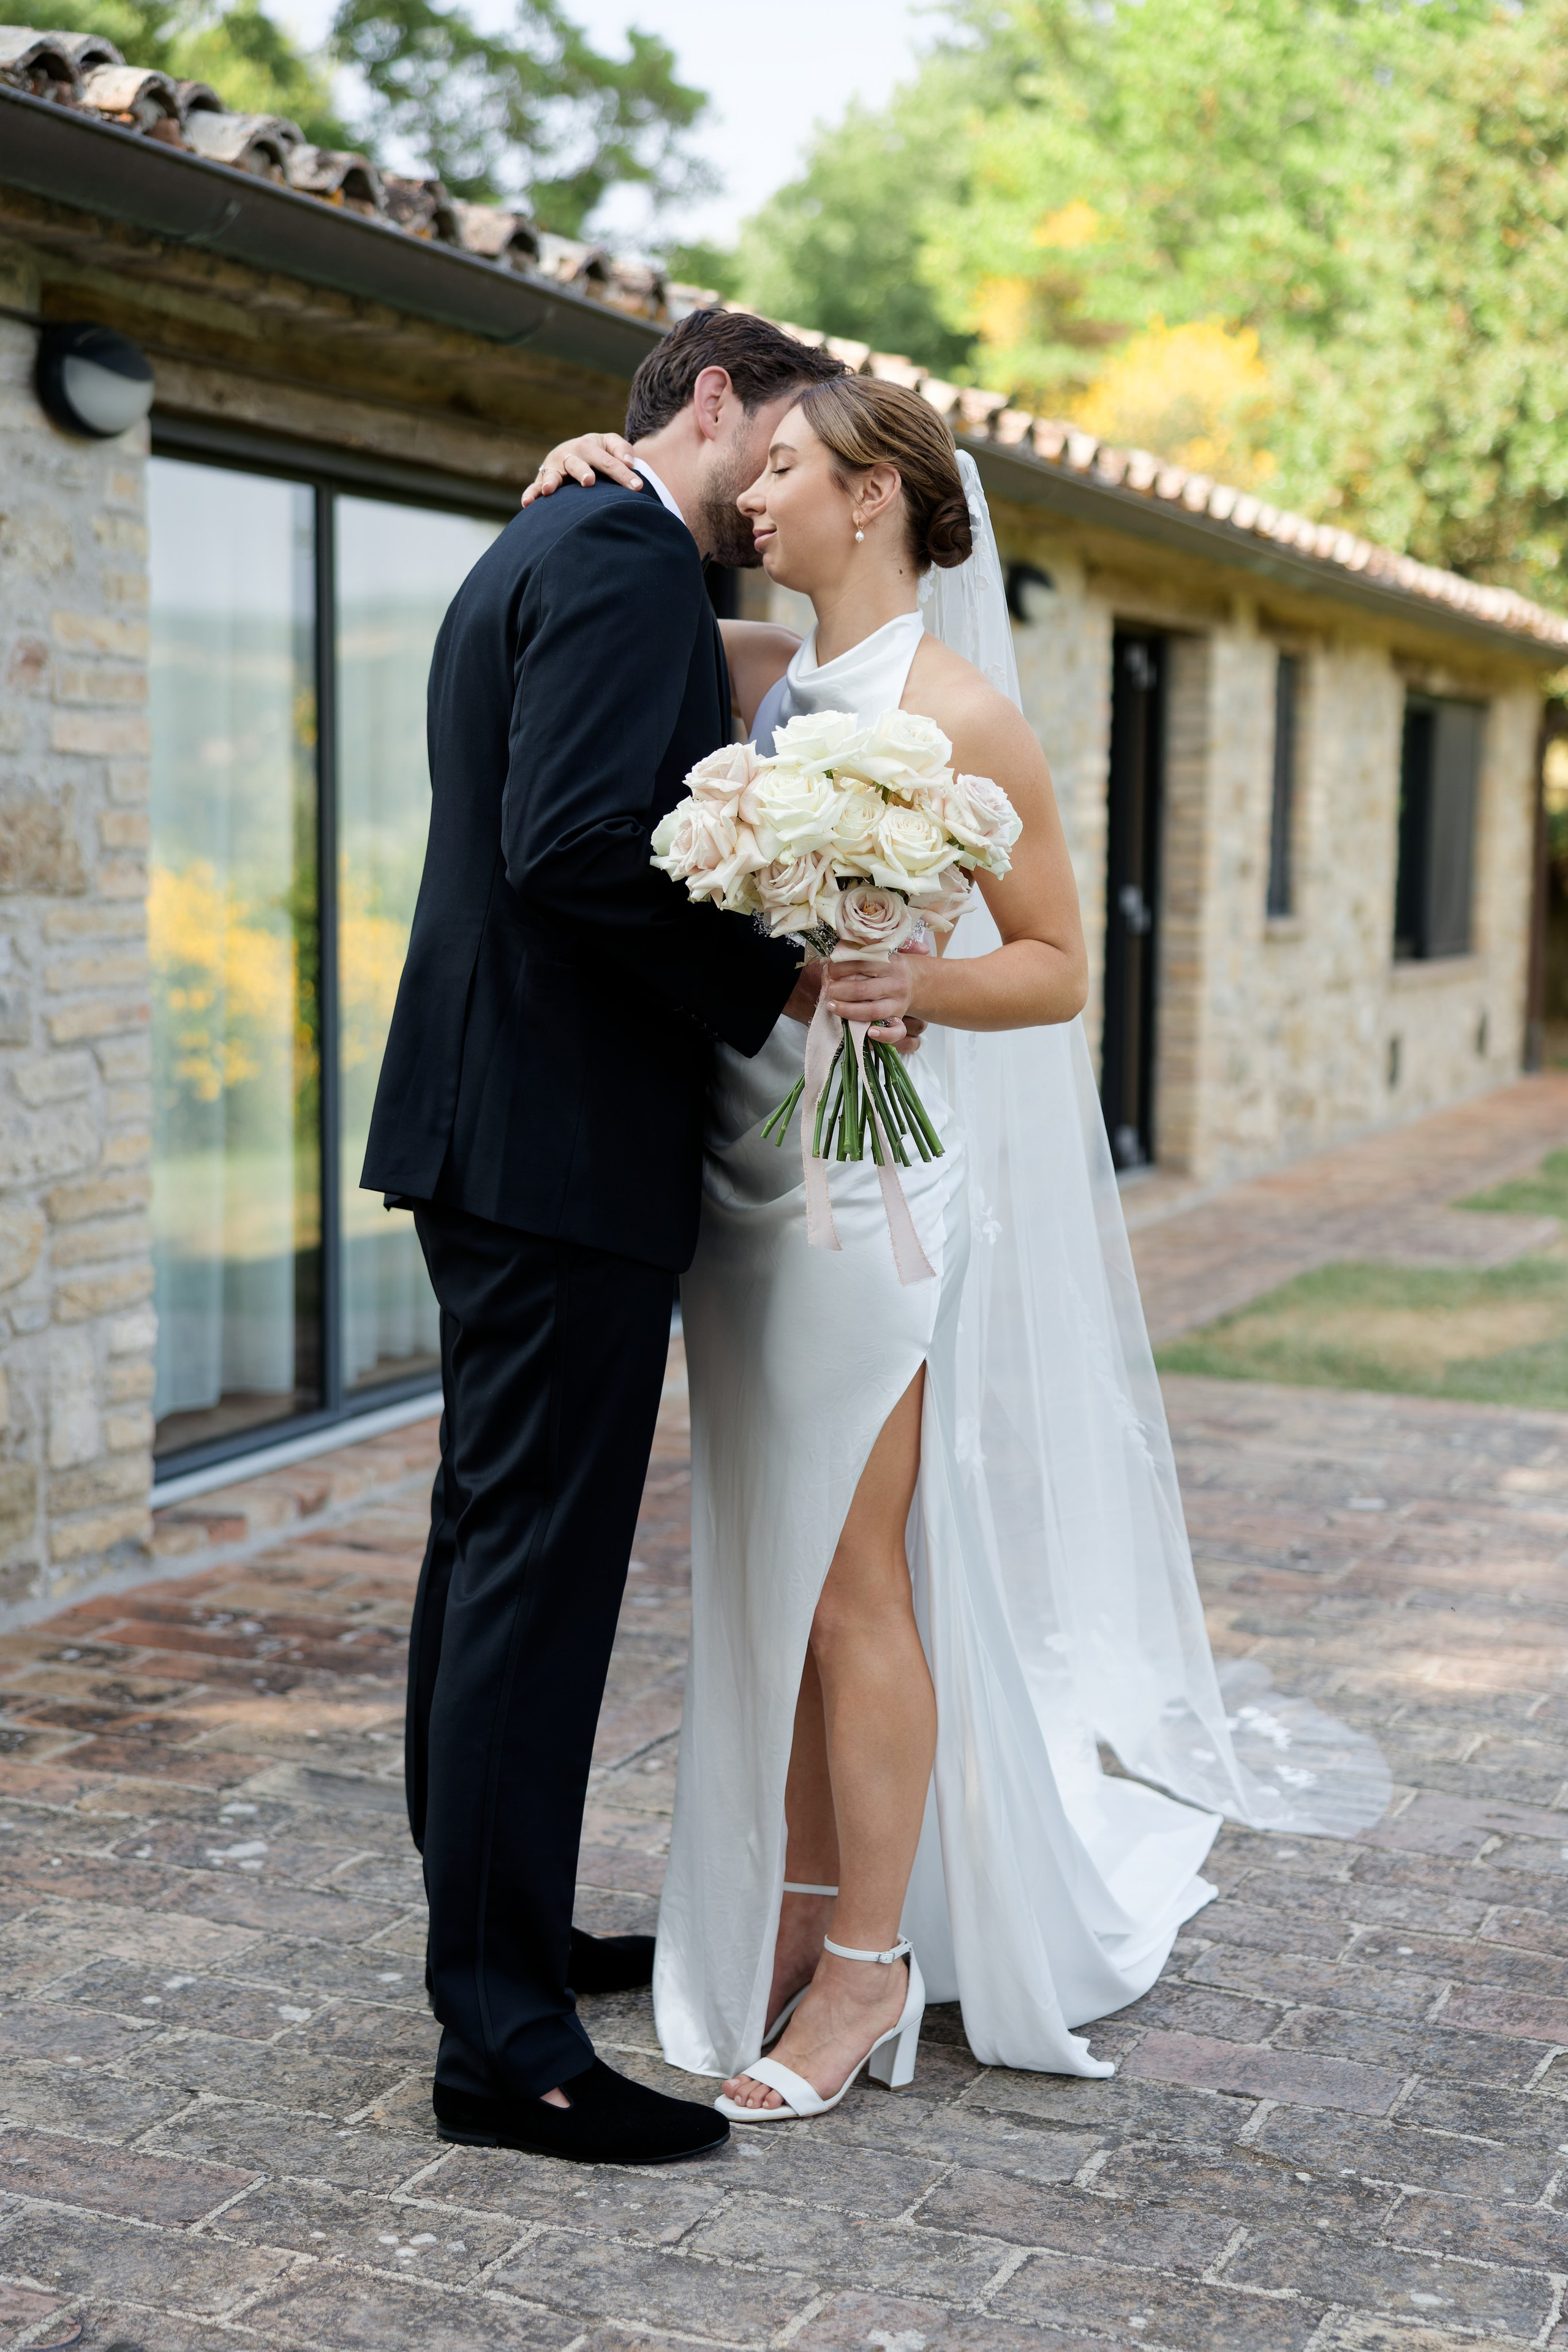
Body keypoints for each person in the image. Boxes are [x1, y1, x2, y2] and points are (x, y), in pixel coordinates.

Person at [519, 376, 1392, 2124]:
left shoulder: (965, 714)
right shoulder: (767, 685)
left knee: (855, 1581)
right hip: (752, 1178)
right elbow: (616, 649)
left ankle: (867, 1969)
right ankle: (789, 1917)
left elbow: (1060, 961)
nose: (751, 499)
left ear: (877, 500)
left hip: (876, 1199)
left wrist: (915, 983)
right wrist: (567, 479)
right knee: (774, 1569)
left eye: (782, 473)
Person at [359, 308, 897, 2166]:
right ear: (720, 398)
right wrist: (778, 970)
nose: (769, 487)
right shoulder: (605, 547)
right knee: (538, 1574)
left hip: (506, 1129)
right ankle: (503, 2048)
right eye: (768, 447)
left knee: (489, 1549)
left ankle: (489, 1938)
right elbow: (579, 845)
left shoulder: (566, 535)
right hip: (556, 1140)